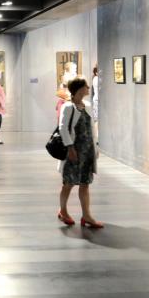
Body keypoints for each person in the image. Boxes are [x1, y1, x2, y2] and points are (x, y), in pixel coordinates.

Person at [57, 76, 103, 229]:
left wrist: (95, 147)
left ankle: (86, 215)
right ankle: (63, 211)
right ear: (78, 89)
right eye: (86, 86)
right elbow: (63, 128)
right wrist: (70, 147)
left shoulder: (87, 105)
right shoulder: (68, 107)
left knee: (85, 184)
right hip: (74, 151)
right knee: (68, 183)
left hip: (87, 151)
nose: (88, 89)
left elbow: (91, 128)